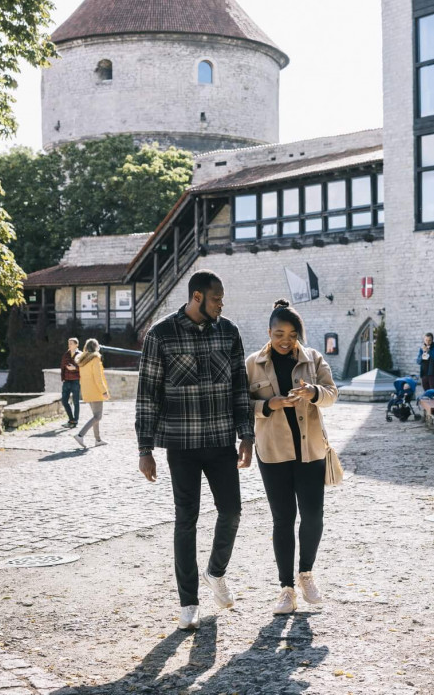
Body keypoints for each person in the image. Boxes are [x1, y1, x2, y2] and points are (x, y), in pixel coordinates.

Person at [136, 270, 253, 631]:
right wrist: (145, 448)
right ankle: (188, 602)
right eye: (217, 297)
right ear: (198, 297)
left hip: (221, 441)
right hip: (181, 444)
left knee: (232, 512)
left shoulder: (229, 332)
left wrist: (246, 437)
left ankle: (215, 573)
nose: (222, 303)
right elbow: (147, 394)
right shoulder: (161, 334)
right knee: (185, 520)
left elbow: (240, 388)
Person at [246, 299, 338, 615]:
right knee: (283, 520)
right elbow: (240, 406)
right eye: (278, 334)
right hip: (273, 453)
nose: (285, 340)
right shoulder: (252, 364)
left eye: (291, 334)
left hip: (311, 449)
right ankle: (286, 589)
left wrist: (313, 393)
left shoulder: (313, 358)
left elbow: (332, 394)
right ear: (269, 332)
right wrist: (268, 405)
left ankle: (306, 574)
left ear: (299, 334)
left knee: (313, 516)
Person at [73, 339, 109, 448]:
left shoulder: (83, 360)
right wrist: (104, 391)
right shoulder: (95, 359)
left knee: (95, 416)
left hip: (87, 390)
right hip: (95, 390)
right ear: (96, 347)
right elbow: (98, 378)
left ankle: (98, 440)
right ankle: (80, 435)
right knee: (98, 417)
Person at [60, 337, 81, 428]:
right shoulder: (66, 354)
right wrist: (63, 378)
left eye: (71, 343)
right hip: (66, 381)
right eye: (69, 343)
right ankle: (71, 419)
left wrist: (75, 368)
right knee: (64, 401)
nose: (69, 345)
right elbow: (62, 367)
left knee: (76, 401)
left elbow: (84, 368)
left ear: (76, 345)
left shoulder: (81, 355)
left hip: (76, 381)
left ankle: (75, 421)